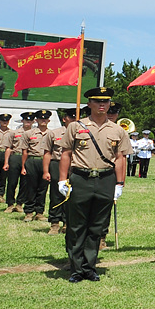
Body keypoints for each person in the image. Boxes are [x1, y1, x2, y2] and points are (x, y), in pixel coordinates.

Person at [56, 87, 132, 282]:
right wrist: (62, 180)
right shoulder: (76, 126)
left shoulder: (117, 130)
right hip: (81, 178)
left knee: (97, 226)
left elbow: (120, 158)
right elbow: (66, 154)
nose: (102, 104)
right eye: (97, 101)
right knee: (76, 225)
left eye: (105, 101)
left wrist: (119, 183)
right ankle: (75, 268)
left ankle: (89, 266)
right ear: (89, 104)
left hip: (105, 180)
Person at [21, 111, 49, 221]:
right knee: (31, 187)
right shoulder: (29, 133)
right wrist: (23, 166)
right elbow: (24, 151)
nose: (43, 120)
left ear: (49, 120)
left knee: (43, 187)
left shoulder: (51, 134)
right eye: (41, 119)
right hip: (32, 160)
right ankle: (28, 211)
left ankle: (39, 212)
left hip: (45, 161)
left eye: (45, 119)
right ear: (36, 120)